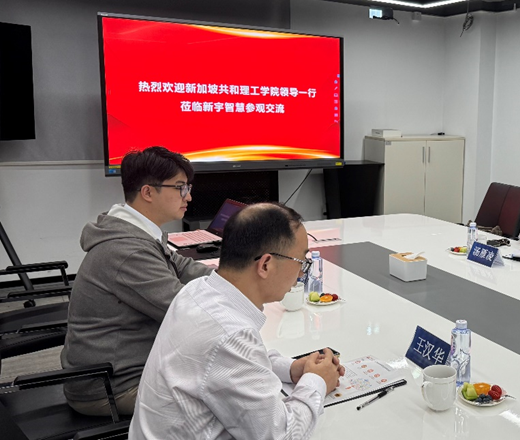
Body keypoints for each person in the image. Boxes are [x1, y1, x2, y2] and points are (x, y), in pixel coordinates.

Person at [129, 203, 344, 439]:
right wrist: (317, 381)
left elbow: (233, 364)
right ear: (266, 265)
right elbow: (281, 434)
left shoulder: (197, 290)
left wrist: (291, 369)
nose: (302, 273)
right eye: (301, 262)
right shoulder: (229, 334)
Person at [61, 147, 211, 416]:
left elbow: (184, 267)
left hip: (132, 367)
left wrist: (236, 277)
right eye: (180, 187)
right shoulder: (127, 250)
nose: (188, 196)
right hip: (114, 387)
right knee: (226, 391)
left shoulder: (136, 231)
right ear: (148, 192)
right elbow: (185, 312)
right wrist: (242, 293)